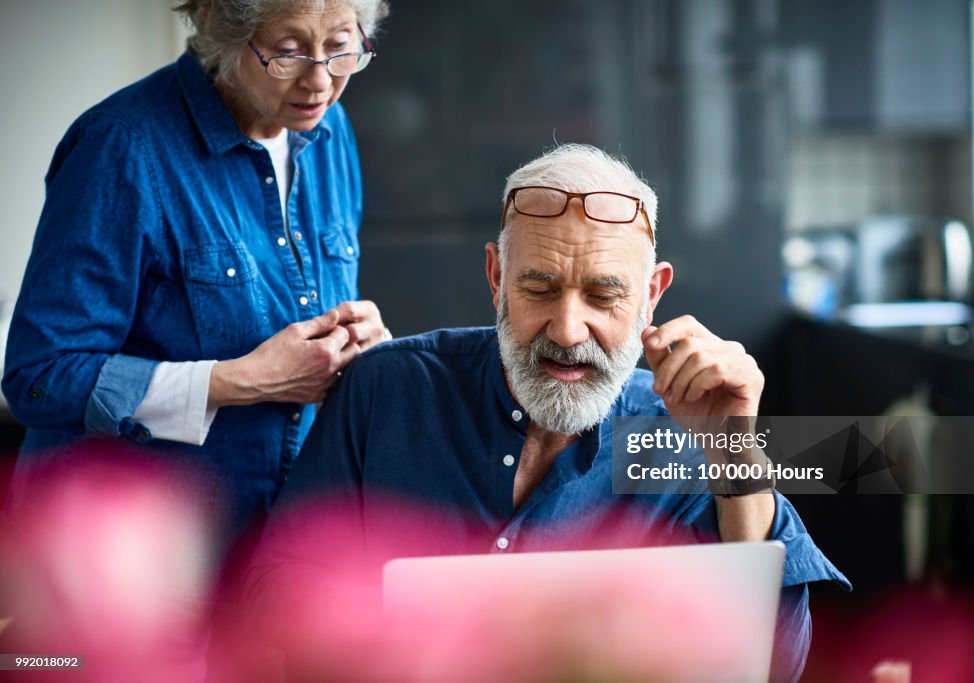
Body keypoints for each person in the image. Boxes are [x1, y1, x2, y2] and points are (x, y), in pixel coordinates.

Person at [248, 143, 849, 682]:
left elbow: (775, 664)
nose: (566, 330)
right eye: (538, 289)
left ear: (651, 297)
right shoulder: (386, 390)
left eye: (604, 295)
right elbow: (276, 596)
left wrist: (734, 452)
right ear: (496, 278)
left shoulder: (684, 432)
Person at [1, 0, 391, 549]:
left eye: (342, 47)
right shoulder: (121, 146)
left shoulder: (329, 130)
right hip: (135, 557)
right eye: (287, 52)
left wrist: (359, 348)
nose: (321, 80)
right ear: (216, 22)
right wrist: (241, 382)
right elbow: (39, 377)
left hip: (277, 541)